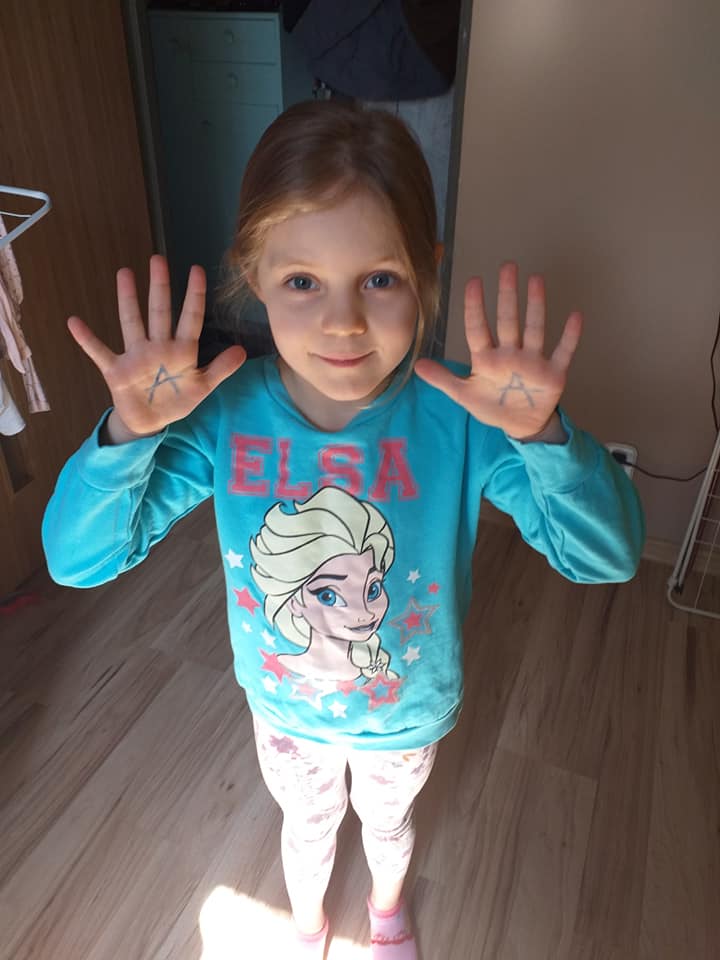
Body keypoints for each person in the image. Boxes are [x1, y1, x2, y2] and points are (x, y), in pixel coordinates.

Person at [42, 99, 645, 959]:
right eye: (302, 282)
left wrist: (545, 437)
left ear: (426, 272)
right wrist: (126, 437)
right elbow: (77, 560)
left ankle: (388, 913)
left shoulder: (463, 414)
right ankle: (310, 926)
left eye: (380, 279)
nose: (343, 321)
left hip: (406, 714)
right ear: (253, 275)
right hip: (284, 711)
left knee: (390, 826)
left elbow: (608, 556)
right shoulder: (225, 415)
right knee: (307, 825)